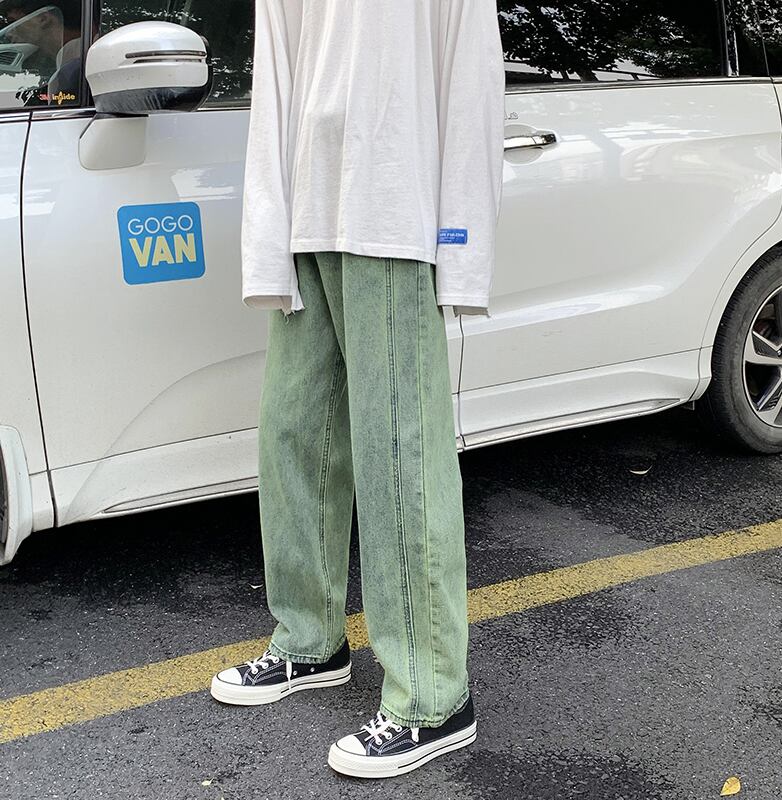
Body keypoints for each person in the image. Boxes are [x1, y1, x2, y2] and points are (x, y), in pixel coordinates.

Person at [210, 0, 506, 779]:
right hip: (309, 212)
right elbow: (276, 83)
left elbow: (471, 74)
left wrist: (460, 246)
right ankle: (310, 641)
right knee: (291, 433)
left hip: (396, 214)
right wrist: (267, 242)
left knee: (400, 454)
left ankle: (433, 698)